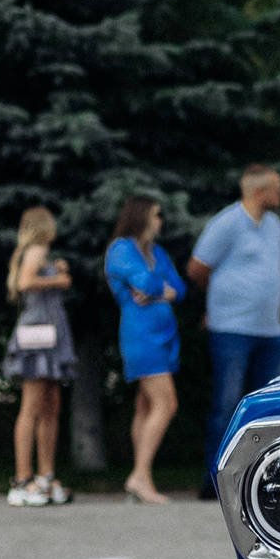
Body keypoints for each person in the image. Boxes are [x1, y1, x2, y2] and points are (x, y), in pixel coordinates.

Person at [187, 164, 280, 499]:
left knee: (268, 409)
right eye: (277, 187)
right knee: (227, 404)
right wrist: (218, 305)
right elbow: (197, 268)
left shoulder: (274, 225)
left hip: (271, 331)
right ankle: (215, 480)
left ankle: (261, 482)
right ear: (260, 192)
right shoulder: (227, 222)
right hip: (232, 329)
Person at [105, 195, 184, 505]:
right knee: (167, 403)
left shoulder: (156, 252)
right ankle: (139, 475)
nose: (160, 220)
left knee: (146, 406)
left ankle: (141, 477)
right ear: (141, 217)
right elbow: (150, 285)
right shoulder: (122, 249)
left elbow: (178, 289)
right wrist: (159, 288)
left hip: (164, 336)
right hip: (141, 337)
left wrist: (159, 289)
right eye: (156, 215)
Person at [2, 206, 76, 507]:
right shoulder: (34, 251)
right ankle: (22, 479)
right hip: (38, 336)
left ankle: (46, 475)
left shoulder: (41, 253)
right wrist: (58, 279)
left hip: (49, 334)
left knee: (50, 406)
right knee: (32, 407)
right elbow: (25, 283)